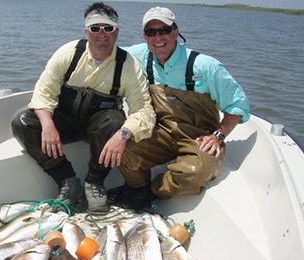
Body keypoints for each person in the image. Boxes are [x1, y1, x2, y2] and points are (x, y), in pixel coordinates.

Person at [11, 2, 155, 212]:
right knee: (22, 122)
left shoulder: (129, 66)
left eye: (108, 28)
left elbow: (144, 110)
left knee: (116, 121)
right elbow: (43, 93)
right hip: (65, 121)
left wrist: (123, 134)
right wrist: (48, 124)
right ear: (86, 32)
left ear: (117, 32)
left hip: (99, 128)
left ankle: (94, 183)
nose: (102, 34)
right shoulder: (67, 53)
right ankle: (67, 181)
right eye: (95, 28)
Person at [107, 6, 250, 210]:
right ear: (145, 37)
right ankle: (135, 188)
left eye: (164, 30)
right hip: (161, 132)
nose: (158, 37)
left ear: (175, 32)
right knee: (124, 152)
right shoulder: (138, 55)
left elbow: (238, 105)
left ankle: (151, 192)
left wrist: (218, 135)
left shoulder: (206, 66)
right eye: (151, 32)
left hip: (199, 136)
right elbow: (104, 50)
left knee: (196, 173)